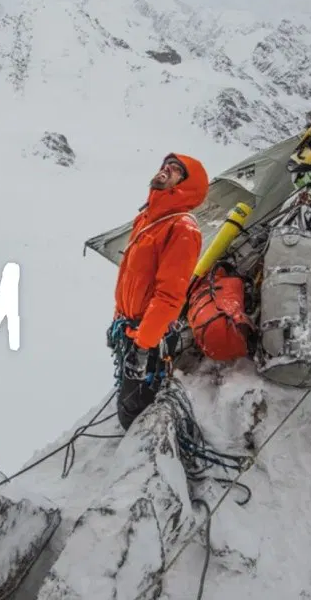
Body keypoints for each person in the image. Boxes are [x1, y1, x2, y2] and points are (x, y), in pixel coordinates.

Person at [107, 152, 208, 429]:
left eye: (176, 170)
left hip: (148, 337)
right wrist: (119, 318)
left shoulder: (182, 228)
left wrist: (143, 345)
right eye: (166, 165)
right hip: (132, 329)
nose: (166, 170)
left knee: (133, 409)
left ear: (186, 186)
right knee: (128, 399)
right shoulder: (148, 219)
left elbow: (170, 295)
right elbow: (129, 276)